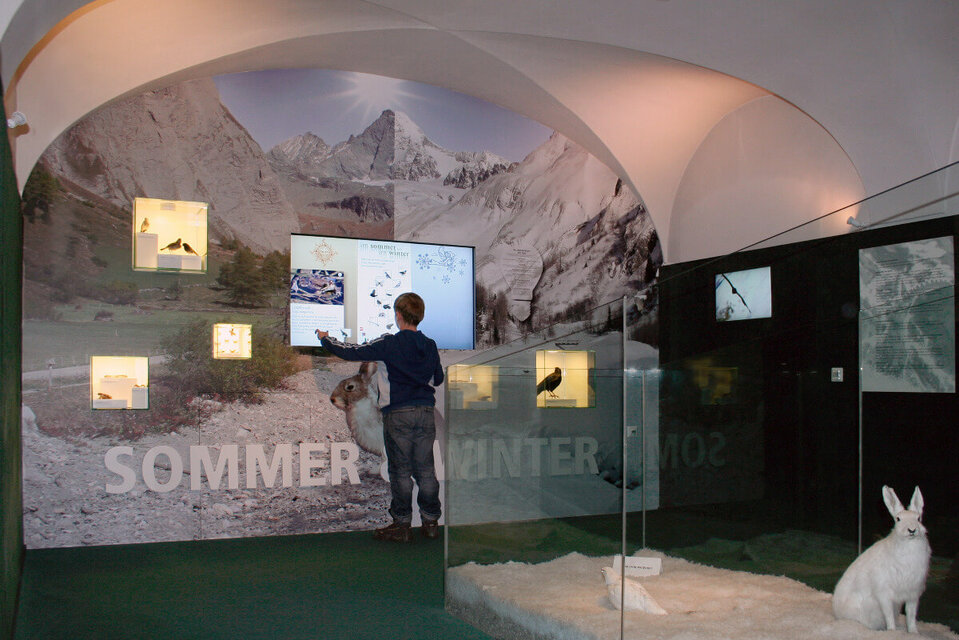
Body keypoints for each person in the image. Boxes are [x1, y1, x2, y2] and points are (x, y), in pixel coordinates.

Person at [316, 292, 444, 543]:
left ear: (398, 315)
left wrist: (325, 339)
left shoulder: (389, 343)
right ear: (420, 316)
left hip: (398, 413)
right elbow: (438, 378)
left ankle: (402, 525)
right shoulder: (429, 345)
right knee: (426, 469)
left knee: (400, 470)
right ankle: (430, 522)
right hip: (425, 412)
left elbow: (351, 352)